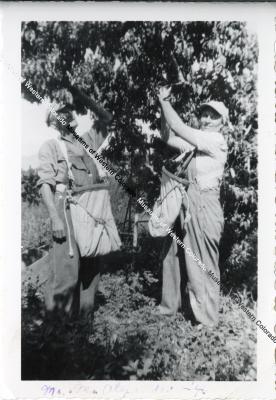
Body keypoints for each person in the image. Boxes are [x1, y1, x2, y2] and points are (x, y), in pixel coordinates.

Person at [37, 88, 114, 323]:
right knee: (67, 272)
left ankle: (83, 325)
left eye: (69, 111)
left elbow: (107, 119)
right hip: (67, 210)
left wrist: (80, 97)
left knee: (91, 266)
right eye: (60, 114)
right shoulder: (50, 147)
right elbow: (45, 186)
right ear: (54, 123)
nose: (67, 116)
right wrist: (55, 218)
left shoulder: (88, 141)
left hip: (90, 210)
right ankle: (55, 334)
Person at [157, 86, 228, 327]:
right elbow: (168, 135)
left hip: (206, 205)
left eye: (213, 116)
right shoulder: (197, 145)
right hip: (190, 203)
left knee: (205, 264)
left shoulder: (216, 141)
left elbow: (178, 127)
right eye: (204, 114)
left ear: (222, 122)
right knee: (187, 260)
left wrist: (165, 101)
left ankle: (208, 323)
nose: (206, 119)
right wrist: (161, 108)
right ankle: (184, 313)